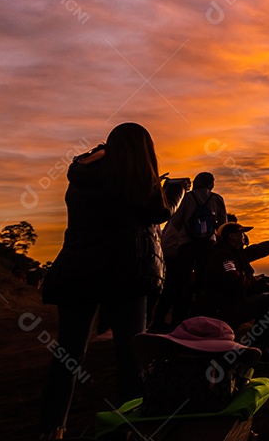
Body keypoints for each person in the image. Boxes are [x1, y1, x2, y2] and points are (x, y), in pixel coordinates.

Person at [38, 122, 182, 440]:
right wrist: (176, 190)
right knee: (131, 355)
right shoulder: (134, 178)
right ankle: (128, 428)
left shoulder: (82, 174)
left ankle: (53, 427)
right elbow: (158, 211)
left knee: (69, 353)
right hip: (125, 275)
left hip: (77, 271)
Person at [194, 222, 269, 354]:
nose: (244, 236)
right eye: (241, 232)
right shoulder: (223, 256)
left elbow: (260, 249)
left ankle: (259, 340)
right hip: (224, 308)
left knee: (268, 290)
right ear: (232, 236)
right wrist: (254, 280)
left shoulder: (235, 253)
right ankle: (260, 347)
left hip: (229, 302)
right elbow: (235, 281)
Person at [152, 172, 227, 329]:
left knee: (182, 284)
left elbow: (176, 221)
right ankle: (202, 321)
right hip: (208, 245)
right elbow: (222, 226)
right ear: (211, 184)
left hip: (186, 245)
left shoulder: (186, 198)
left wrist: (186, 233)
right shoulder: (217, 199)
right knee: (204, 283)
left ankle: (178, 322)